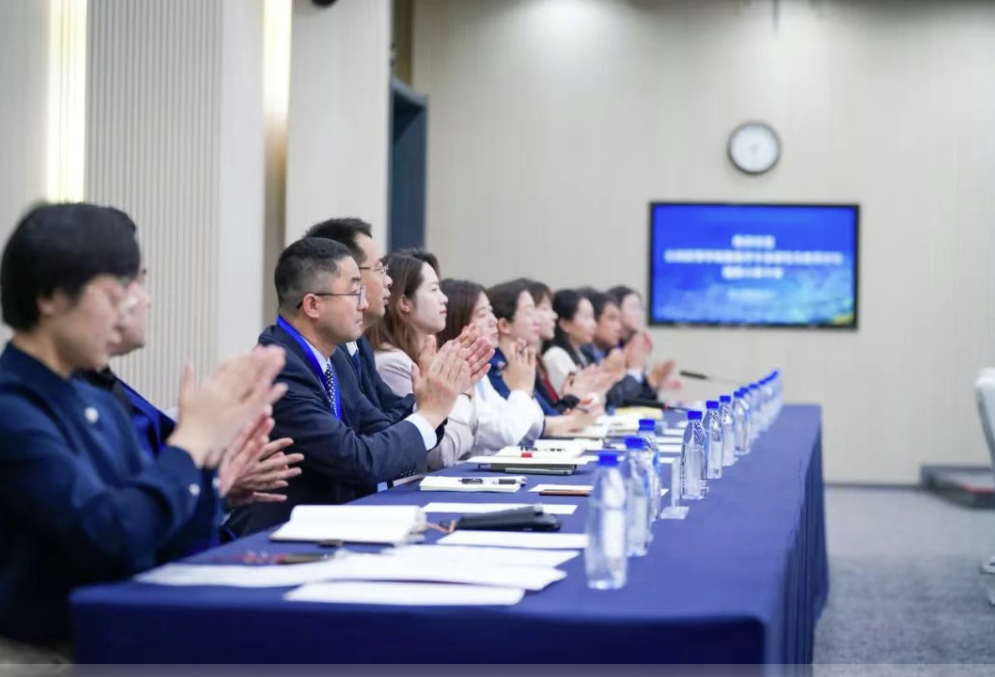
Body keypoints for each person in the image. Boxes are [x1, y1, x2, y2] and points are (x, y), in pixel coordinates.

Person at [0, 203, 285, 652]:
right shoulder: (12, 409)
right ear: (50, 296)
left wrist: (207, 463)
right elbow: (113, 535)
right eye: (115, 295)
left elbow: (167, 542)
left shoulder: (100, 402)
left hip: (121, 629)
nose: (132, 308)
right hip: (45, 652)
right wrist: (190, 443)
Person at [228, 238, 471, 536]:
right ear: (313, 305)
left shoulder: (335, 358)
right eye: (355, 292)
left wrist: (429, 399)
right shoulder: (279, 369)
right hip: (277, 538)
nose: (364, 304)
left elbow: (378, 427)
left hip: (333, 527)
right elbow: (355, 460)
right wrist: (428, 414)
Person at [79, 243, 302, 521]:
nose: (143, 299)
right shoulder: (45, 407)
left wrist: (215, 489)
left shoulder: (100, 386)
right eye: (127, 284)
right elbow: (121, 527)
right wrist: (196, 441)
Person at [365, 250, 491, 470]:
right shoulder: (393, 363)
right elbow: (441, 454)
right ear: (404, 302)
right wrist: (461, 393)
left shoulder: (418, 357)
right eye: (434, 289)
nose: (444, 298)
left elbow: (473, 433)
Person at [303, 218, 412, 422]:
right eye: (380, 269)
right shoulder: (324, 353)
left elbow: (382, 415)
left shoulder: (359, 345)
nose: (389, 281)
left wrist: (430, 398)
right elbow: (368, 431)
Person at [439, 279, 546, 454]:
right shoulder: (452, 372)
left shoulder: (480, 374)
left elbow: (532, 429)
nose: (493, 321)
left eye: (491, 312)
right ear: (456, 322)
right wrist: (521, 390)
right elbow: (505, 434)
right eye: (482, 314)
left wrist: (524, 391)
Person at [486, 280, 597, 436]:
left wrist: (570, 402)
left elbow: (546, 415)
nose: (537, 319)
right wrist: (571, 414)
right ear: (504, 325)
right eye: (529, 312)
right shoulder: (492, 366)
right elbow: (526, 425)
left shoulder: (522, 360)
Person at [526, 279, 613, 413]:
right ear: (565, 324)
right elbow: (577, 405)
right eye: (586, 317)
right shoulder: (556, 356)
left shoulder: (582, 354)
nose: (593, 324)